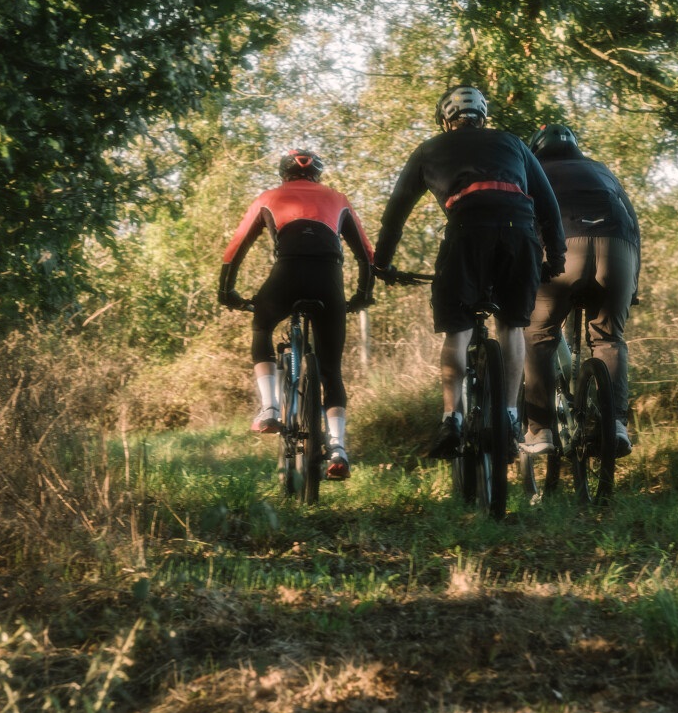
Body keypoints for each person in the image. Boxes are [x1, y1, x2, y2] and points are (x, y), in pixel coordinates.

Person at [373, 86, 566, 461]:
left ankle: (452, 419)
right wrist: (555, 256)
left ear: (446, 121)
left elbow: (396, 210)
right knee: (512, 325)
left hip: (467, 231)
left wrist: (382, 261)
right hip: (519, 232)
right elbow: (547, 203)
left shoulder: (429, 149)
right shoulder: (512, 142)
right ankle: (511, 417)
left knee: (457, 328)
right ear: (483, 117)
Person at [218, 149, 374, 480]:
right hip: (329, 282)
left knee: (262, 328)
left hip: (285, 276)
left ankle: (271, 408)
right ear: (317, 174)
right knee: (331, 370)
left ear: (283, 173)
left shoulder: (269, 197)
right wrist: (362, 295)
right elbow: (366, 253)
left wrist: (226, 291)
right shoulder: (338, 198)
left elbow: (236, 248)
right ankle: (338, 447)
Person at [522, 123, 640, 458]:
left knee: (538, 334)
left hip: (564, 251)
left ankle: (540, 429)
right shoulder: (602, 171)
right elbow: (633, 223)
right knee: (608, 338)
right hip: (618, 251)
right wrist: (633, 284)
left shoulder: (533, 171)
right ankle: (615, 425)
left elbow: (523, 223)